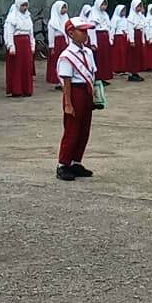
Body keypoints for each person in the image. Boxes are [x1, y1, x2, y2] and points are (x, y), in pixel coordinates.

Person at [55, 16, 98, 181]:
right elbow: (66, 81)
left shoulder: (88, 52)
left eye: (86, 31)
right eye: (82, 31)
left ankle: (76, 161)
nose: (85, 34)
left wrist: (93, 93)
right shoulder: (67, 55)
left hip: (86, 91)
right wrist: (68, 103)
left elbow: (92, 73)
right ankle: (63, 164)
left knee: (84, 130)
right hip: (74, 92)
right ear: (71, 33)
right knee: (72, 130)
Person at [3, 0, 35, 97]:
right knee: (17, 67)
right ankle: (17, 90)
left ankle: (26, 89)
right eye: (22, 5)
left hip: (26, 44)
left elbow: (31, 33)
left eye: (26, 5)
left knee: (26, 67)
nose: (25, 8)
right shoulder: (12, 18)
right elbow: (9, 33)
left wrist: (32, 45)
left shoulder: (28, 17)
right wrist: (11, 46)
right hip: (17, 44)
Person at [87, 0, 114, 83]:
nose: (104, 7)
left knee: (104, 58)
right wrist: (93, 43)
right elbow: (91, 30)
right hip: (98, 37)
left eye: (105, 5)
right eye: (102, 4)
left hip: (104, 37)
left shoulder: (105, 14)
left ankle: (103, 76)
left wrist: (110, 38)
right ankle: (97, 77)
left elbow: (109, 27)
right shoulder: (93, 14)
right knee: (98, 58)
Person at [46, 0, 70, 87]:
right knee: (57, 61)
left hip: (65, 42)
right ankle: (57, 80)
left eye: (65, 7)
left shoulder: (66, 19)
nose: (64, 10)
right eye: (62, 8)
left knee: (66, 60)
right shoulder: (53, 22)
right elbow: (51, 35)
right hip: (57, 43)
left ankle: (65, 78)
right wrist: (52, 47)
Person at [125, 0, 147, 82]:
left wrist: (143, 40)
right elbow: (130, 29)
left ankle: (136, 72)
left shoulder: (141, 16)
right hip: (134, 37)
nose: (140, 8)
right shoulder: (131, 17)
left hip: (139, 35)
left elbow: (143, 28)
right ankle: (132, 73)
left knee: (138, 56)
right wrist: (132, 40)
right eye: (138, 6)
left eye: (140, 6)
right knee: (132, 56)